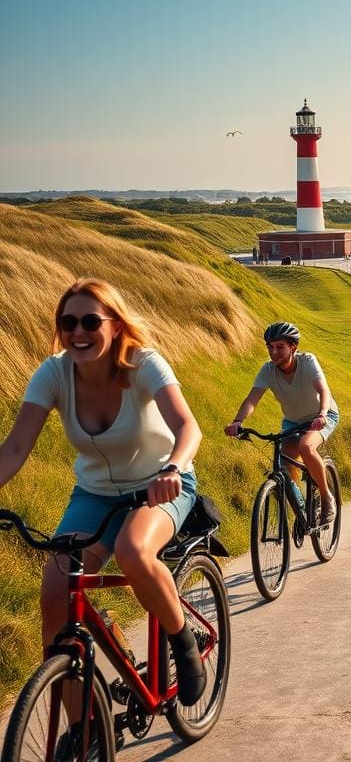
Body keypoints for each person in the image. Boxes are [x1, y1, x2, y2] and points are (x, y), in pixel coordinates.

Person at [0, 279, 207, 705]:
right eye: (68, 321)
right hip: (94, 495)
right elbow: (16, 447)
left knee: (133, 552)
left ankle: (183, 643)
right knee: (57, 590)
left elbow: (188, 427)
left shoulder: (143, 363)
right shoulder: (53, 373)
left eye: (91, 321)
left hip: (162, 483)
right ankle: (82, 733)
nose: (79, 331)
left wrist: (172, 467)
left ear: (115, 325)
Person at [225, 322, 339, 525]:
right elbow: (252, 399)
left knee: (306, 446)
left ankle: (326, 497)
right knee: (283, 467)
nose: (273, 352)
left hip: (322, 416)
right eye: (270, 347)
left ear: (292, 347)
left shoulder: (307, 361)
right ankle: (302, 510)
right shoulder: (268, 370)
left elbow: (323, 391)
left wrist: (322, 414)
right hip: (293, 422)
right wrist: (238, 421)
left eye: (279, 347)